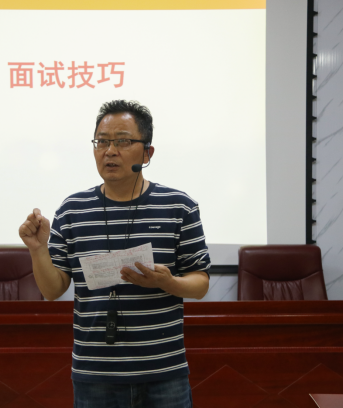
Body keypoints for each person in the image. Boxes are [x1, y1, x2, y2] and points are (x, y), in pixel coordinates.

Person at [18, 100, 211, 408]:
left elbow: (200, 283)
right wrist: (38, 249)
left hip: (163, 371)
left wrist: (168, 283)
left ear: (147, 153)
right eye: (102, 142)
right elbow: (52, 290)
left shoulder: (179, 206)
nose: (109, 151)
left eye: (122, 141)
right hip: (96, 373)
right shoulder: (72, 210)